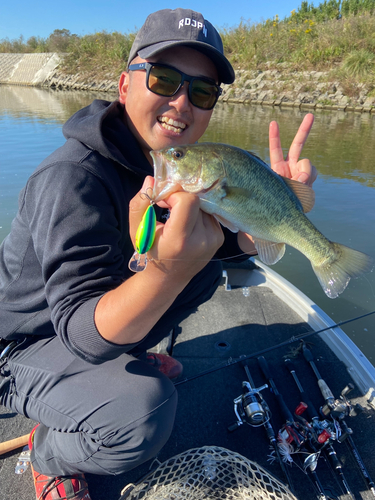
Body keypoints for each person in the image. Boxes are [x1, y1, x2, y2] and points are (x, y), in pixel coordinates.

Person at [0, 8, 317, 500]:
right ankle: (48, 453)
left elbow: (226, 244)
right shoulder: (70, 179)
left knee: (205, 270)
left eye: (202, 91)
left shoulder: (175, 168)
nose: (181, 103)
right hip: (27, 346)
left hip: (105, 321)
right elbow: (82, 335)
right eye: (165, 79)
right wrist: (167, 268)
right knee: (143, 413)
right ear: (124, 85)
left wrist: (274, 214)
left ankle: (127, 353)